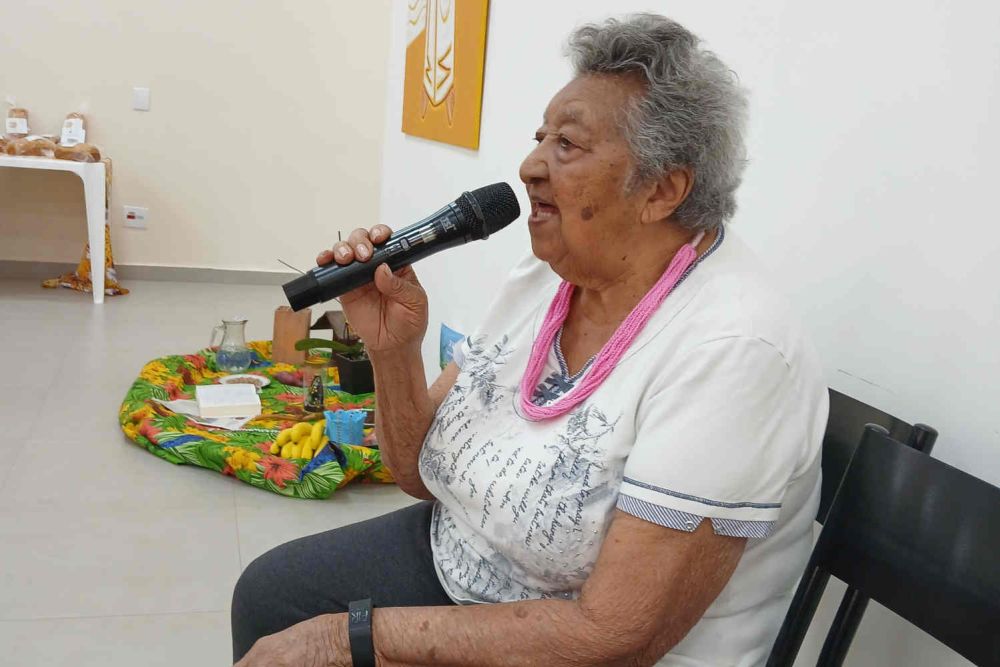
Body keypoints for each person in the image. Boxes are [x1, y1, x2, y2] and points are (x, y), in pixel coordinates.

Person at [232, 13, 828, 667]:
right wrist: (394, 348)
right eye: (539, 137)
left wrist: (352, 638)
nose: (529, 166)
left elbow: (614, 637)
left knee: (315, 643)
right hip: (469, 565)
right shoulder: (550, 273)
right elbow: (418, 473)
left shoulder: (735, 350)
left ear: (662, 189)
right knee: (269, 595)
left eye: (567, 144)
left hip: (594, 648)